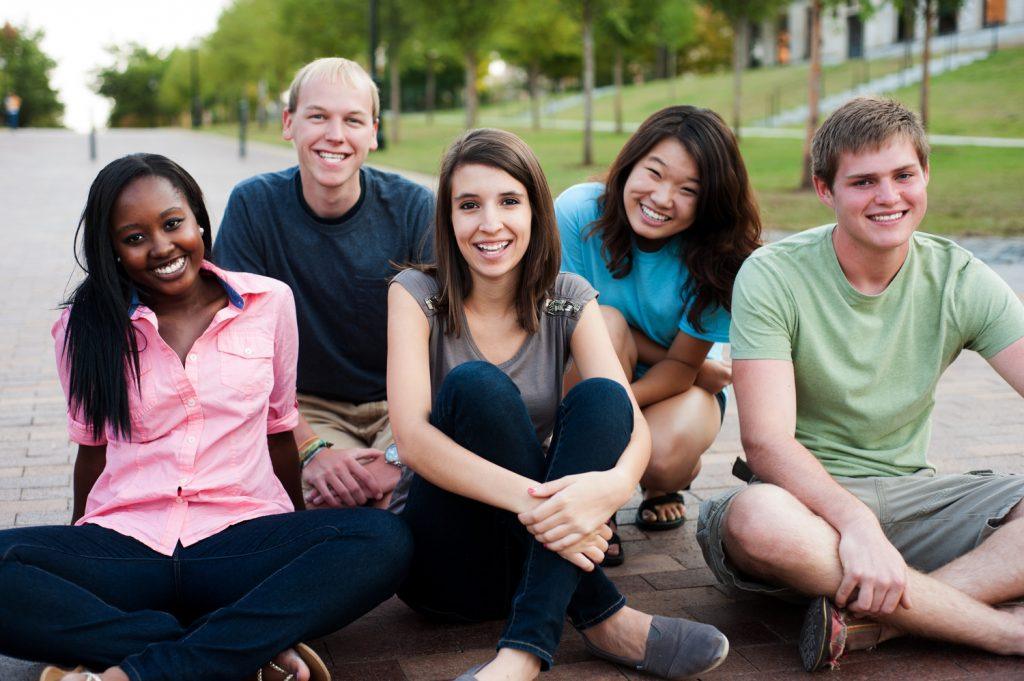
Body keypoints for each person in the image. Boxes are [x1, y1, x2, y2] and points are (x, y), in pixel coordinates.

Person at [0, 154, 412, 681]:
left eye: (173, 223)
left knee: (382, 541)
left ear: (198, 219)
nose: (162, 247)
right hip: (129, 542)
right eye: (135, 237)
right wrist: (77, 569)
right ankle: (236, 651)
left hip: (239, 539)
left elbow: (279, 428)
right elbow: (93, 451)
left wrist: (295, 531)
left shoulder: (269, 304)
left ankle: (130, 665)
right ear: (115, 252)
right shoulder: (83, 329)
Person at [387, 128, 729, 681]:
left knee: (601, 397)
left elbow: (629, 424)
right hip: (444, 564)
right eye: (469, 204)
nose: (490, 223)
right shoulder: (415, 295)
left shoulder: (569, 297)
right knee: (477, 386)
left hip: (534, 565)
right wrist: (552, 510)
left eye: (509, 202)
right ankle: (604, 617)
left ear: (535, 213)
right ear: (448, 219)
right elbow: (413, 441)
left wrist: (607, 493)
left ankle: (521, 654)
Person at [696, 97, 1024, 671]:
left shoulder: (960, 278)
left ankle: (873, 627)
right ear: (826, 191)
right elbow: (767, 444)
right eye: (864, 181)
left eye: (904, 175)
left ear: (925, 176)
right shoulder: (774, 275)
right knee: (754, 520)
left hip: (917, 501)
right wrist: (856, 523)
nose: (889, 197)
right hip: (804, 510)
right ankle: (996, 630)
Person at [215, 57, 434, 511]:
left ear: (373, 133)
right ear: (288, 123)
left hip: (406, 401)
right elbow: (235, 352)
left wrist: (401, 457)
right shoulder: (253, 207)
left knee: (424, 497)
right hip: (306, 408)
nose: (335, 134)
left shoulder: (414, 208)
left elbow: (451, 338)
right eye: (318, 116)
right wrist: (310, 449)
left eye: (352, 120)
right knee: (328, 499)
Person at [555, 105, 761, 563]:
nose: (663, 198)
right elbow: (565, 319)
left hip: (672, 385)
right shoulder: (578, 212)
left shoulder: (718, 257)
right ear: (631, 162)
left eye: (688, 190)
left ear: (710, 202)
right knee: (601, 323)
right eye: (655, 172)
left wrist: (613, 406)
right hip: (587, 362)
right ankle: (593, 500)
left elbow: (680, 368)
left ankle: (664, 485)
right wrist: (695, 368)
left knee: (664, 457)